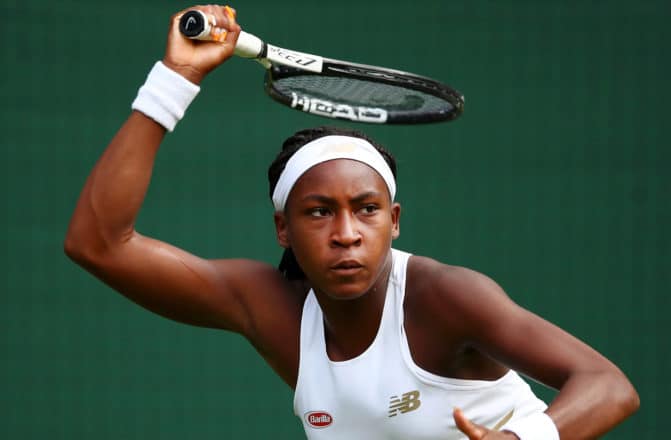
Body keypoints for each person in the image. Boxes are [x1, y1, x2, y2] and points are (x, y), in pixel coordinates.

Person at [64, 5, 639, 439]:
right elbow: (98, 244)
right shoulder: (270, 309)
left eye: (366, 210)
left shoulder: (447, 296)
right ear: (282, 230)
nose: (346, 232)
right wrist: (176, 75)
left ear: (393, 221)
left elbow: (609, 385)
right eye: (318, 212)